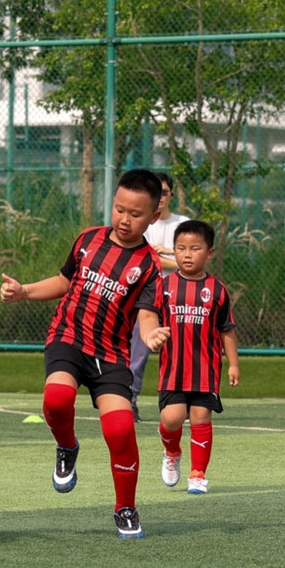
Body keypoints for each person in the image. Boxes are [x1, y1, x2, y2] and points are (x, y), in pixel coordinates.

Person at [0, 168, 168, 539]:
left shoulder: (150, 267)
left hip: (110, 356)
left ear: (154, 216)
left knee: (120, 429)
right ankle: (66, 446)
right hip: (68, 338)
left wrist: (151, 334)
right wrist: (24, 291)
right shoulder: (88, 239)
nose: (125, 219)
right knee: (57, 399)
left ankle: (125, 507)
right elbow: (64, 281)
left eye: (136, 214)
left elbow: (146, 314)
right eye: (119, 208)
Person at [143, 219, 239, 494]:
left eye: (195, 248)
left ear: (209, 253)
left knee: (200, 417)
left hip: (206, 371)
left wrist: (233, 364)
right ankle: (172, 451)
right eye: (181, 248)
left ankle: (198, 474)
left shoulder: (217, 290)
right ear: (173, 250)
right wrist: (152, 338)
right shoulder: (164, 287)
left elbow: (227, 329)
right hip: (173, 370)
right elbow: (149, 319)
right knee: (172, 419)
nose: (187, 254)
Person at [127, 172, 189, 420]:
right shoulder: (141, 222)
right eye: (156, 192)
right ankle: (130, 400)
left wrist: (169, 256)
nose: (160, 197)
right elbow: (143, 260)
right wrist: (170, 258)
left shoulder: (182, 224)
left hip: (177, 296)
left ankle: (183, 402)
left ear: (171, 195)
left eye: (165, 192)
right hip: (145, 297)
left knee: (181, 350)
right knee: (138, 350)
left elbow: (190, 262)